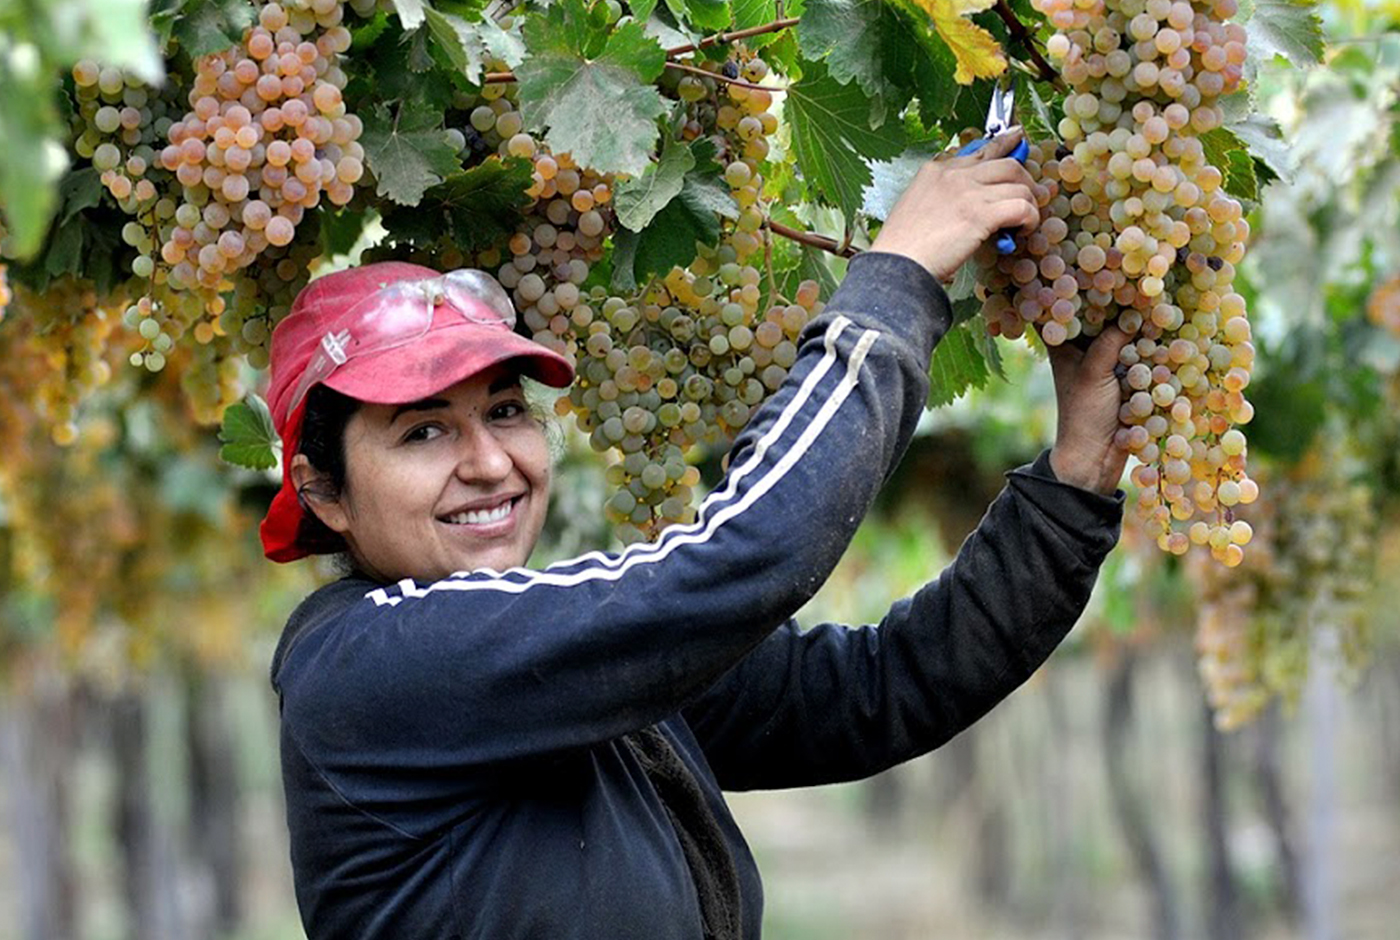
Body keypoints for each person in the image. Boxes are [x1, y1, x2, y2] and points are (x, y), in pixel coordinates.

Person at [262, 129, 1129, 940]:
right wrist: (892, 282)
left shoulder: (562, 660)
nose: (492, 461)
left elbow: (882, 689)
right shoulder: (372, 663)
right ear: (325, 494)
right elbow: (744, 557)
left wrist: (1074, 484)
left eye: (504, 412)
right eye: (423, 431)